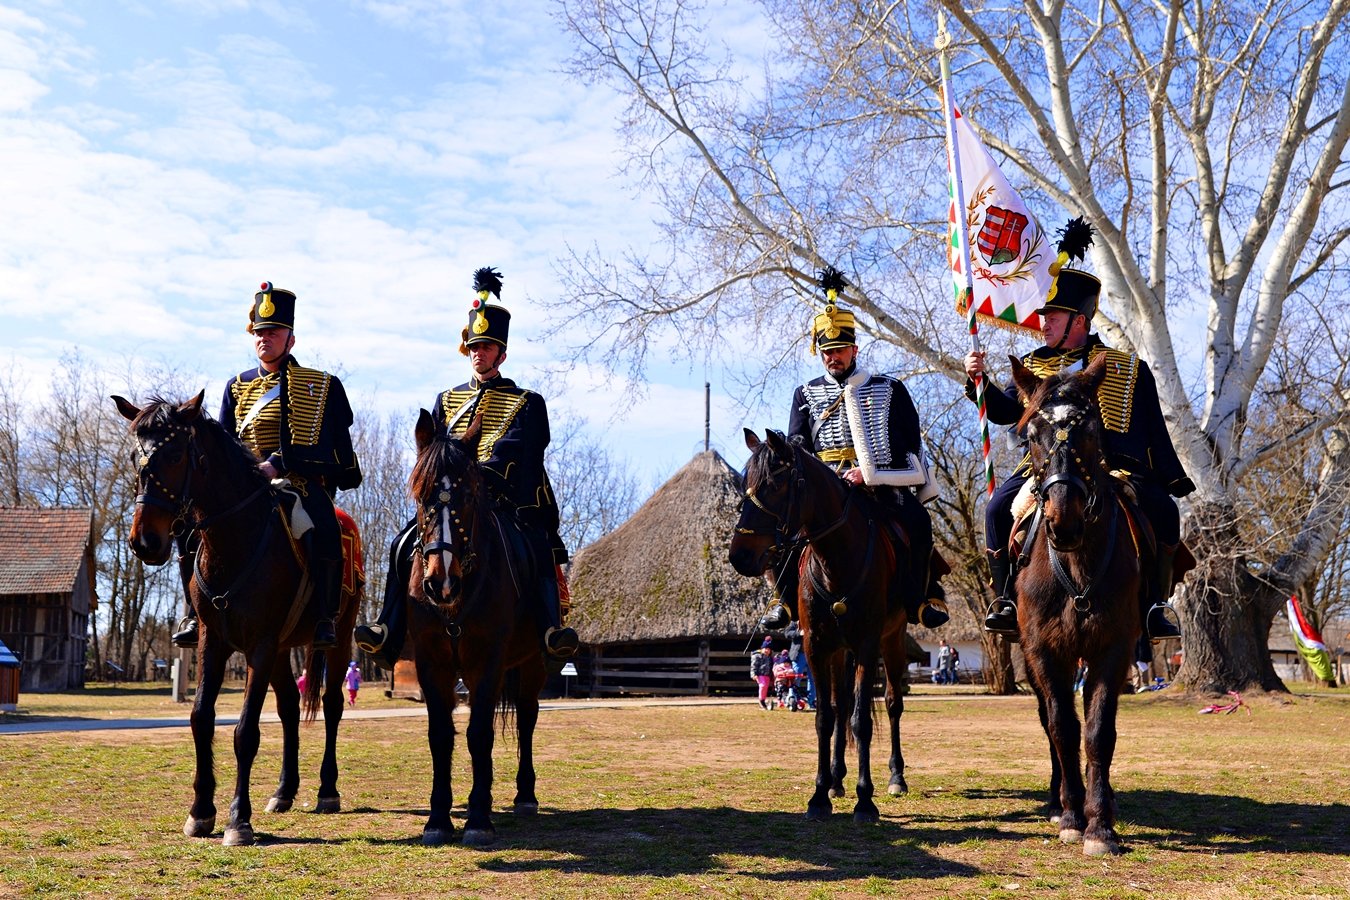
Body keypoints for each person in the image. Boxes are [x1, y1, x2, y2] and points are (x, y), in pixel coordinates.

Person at [963, 218, 1193, 642]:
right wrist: (978, 382)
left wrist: (1168, 478)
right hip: (1046, 468)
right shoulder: (1032, 366)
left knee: (1164, 511)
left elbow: (1152, 428)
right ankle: (1005, 599)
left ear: (1079, 322)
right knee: (996, 509)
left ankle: (1156, 606)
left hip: (1115, 470)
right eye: (1045, 316)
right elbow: (1004, 413)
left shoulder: (1128, 368)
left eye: (1052, 317)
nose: (1043, 324)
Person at [354, 267, 579, 665]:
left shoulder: (527, 402)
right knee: (401, 543)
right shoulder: (447, 400)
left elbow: (523, 452)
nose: (480, 352)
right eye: (474, 346)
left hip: (506, 502)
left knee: (537, 548)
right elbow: (435, 455)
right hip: (451, 500)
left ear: (502, 353)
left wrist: (479, 480)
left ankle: (549, 628)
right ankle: (388, 627)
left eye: (488, 346)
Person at [171, 282, 362, 650]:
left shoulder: (319, 386)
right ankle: (195, 615)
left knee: (323, 526)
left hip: (296, 483)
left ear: (290, 339)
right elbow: (223, 443)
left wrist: (279, 463)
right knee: (191, 528)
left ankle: (324, 616)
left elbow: (332, 447)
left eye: (273, 332)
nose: (265, 338)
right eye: (259, 332)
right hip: (242, 489)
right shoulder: (236, 387)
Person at [758, 266, 948, 633]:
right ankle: (783, 601)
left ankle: (920, 598)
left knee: (918, 523)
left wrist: (871, 474)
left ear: (855, 349)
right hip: (824, 489)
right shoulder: (805, 394)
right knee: (780, 530)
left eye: (840, 349)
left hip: (877, 487)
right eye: (827, 350)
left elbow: (909, 444)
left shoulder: (888, 388)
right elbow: (798, 446)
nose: (834, 357)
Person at [750, 642, 774, 710]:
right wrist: (754, 675)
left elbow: (772, 666)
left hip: (767, 675)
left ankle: (763, 700)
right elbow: (753, 666)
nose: (767, 650)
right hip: (760, 675)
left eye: (769, 649)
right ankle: (761, 700)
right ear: (762, 649)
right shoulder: (757, 656)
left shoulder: (770, 658)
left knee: (765, 688)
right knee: (762, 686)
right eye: (765, 648)